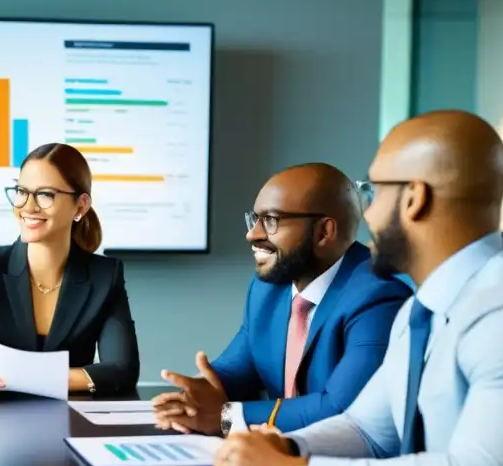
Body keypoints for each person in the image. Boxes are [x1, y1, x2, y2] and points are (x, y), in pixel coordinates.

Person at [212, 110, 503, 466]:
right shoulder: (420, 311)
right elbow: (368, 428)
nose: (364, 212)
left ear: (413, 199)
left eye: (373, 191)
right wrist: (285, 447)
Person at [153, 163, 411, 433]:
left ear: (324, 232)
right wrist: (192, 398)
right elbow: (238, 369)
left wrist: (225, 417)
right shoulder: (269, 288)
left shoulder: (378, 297)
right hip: (277, 456)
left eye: (272, 220)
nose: (252, 234)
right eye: (255, 219)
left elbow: (340, 410)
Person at [0, 142, 140, 397]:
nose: (28, 207)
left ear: (81, 206)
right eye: (22, 191)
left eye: (45, 195)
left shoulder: (105, 276)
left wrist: (25, 378)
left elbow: (123, 370)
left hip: (71, 423)